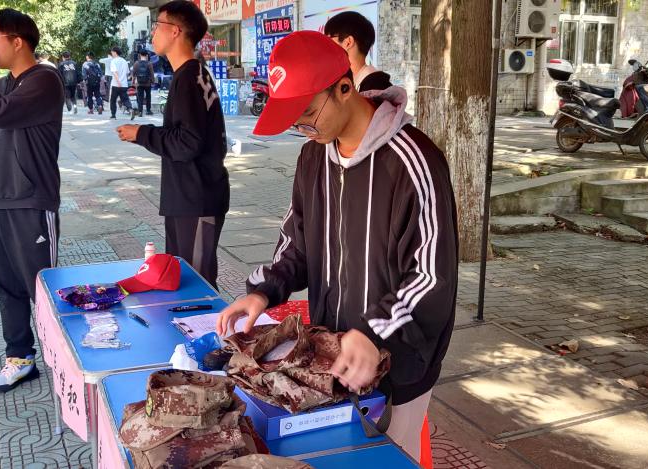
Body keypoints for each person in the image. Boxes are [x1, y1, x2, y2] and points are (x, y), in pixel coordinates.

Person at [215, 31, 457, 463]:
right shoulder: (313, 157)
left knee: (386, 460)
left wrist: (372, 332)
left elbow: (430, 276)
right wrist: (263, 291)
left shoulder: (413, 162)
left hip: (398, 363)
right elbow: (297, 241)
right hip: (331, 356)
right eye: (294, 120)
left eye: (308, 113)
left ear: (345, 88)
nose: (303, 127)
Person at [0, 8, 64, 394]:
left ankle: (63, 358)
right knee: (6, 285)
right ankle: (20, 359)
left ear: (17, 41)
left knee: (42, 287)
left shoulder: (44, 80)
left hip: (29, 202)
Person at [115, 1, 229, 289]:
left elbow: (188, 143)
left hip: (196, 197)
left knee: (197, 284)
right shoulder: (193, 73)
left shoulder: (189, 77)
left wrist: (141, 134)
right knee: (183, 279)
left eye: (158, 25)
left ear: (176, 31)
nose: (153, 33)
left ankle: (211, 320)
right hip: (188, 195)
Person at [324, 11, 392, 92]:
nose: (325, 46)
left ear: (348, 42)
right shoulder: (348, 83)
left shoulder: (376, 85)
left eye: (329, 39)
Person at [108, 46, 134, 119]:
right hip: (124, 84)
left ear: (115, 52)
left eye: (112, 52)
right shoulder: (124, 61)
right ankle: (130, 109)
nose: (111, 53)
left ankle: (113, 115)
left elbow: (115, 72)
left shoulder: (113, 61)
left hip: (116, 84)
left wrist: (118, 81)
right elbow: (127, 73)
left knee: (113, 100)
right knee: (125, 99)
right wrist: (122, 81)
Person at [132, 50, 155, 117]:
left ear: (139, 55)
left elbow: (133, 73)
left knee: (140, 97)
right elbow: (152, 74)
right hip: (148, 83)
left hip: (139, 83)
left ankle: (140, 112)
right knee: (148, 97)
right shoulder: (149, 63)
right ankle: (148, 110)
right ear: (147, 55)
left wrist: (133, 82)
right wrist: (153, 81)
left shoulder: (136, 63)